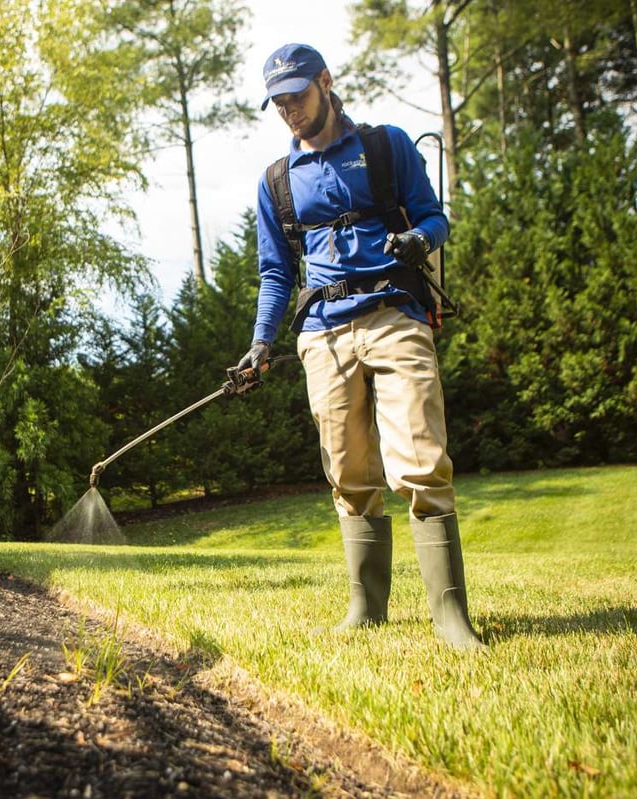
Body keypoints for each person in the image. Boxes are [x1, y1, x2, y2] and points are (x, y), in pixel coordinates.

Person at [237, 43, 485, 650]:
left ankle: (451, 616)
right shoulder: (277, 182)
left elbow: (435, 217)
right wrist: (260, 343)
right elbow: (276, 274)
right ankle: (366, 607)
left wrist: (418, 240)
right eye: (279, 102)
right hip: (322, 332)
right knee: (347, 472)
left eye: (298, 94)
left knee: (421, 460)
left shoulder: (385, 146)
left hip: (395, 315)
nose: (290, 109)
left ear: (325, 82)